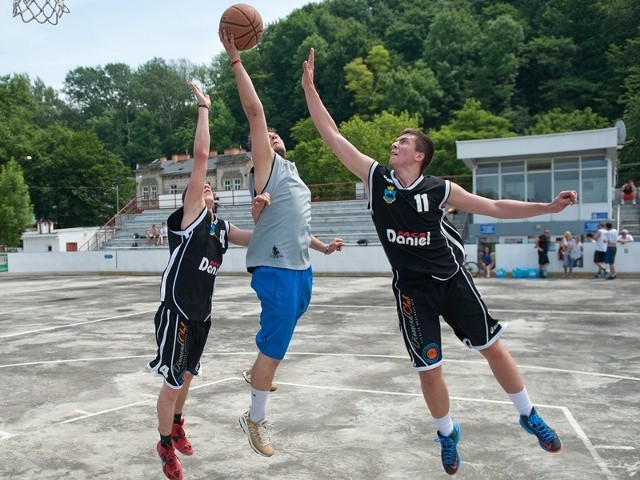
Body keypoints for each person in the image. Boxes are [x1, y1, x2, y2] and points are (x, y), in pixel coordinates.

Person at [302, 47, 572, 475]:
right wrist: (310, 89)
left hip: (451, 279)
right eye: (397, 140)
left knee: (493, 349)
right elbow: (333, 135)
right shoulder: (376, 181)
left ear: (419, 156)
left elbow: (495, 206)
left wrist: (547, 207)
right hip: (412, 289)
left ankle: (528, 414)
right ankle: (447, 435)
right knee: (430, 370)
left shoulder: (439, 189)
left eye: (404, 142)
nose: (395, 143)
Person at [219, 31, 344, 458]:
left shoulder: (294, 177)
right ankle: (254, 419)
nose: (269, 135)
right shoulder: (266, 169)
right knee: (276, 344)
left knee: (289, 324)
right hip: (276, 270)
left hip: (301, 265)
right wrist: (236, 60)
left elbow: (295, 227)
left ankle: (259, 366)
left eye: (274, 135)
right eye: (263, 138)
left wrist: (322, 247)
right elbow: (255, 114)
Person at [148, 82, 270, 480]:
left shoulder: (220, 227)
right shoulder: (191, 218)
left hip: (202, 314)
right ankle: (164, 446)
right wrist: (204, 108)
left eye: (208, 187)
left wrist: (265, 211)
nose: (203, 187)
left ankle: (178, 423)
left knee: (187, 376)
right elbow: (201, 154)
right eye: (197, 187)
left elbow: (257, 238)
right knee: (171, 381)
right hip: (178, 311)